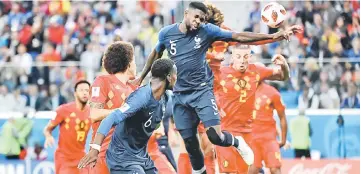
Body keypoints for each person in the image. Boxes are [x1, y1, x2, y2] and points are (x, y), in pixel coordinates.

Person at [134, 2, 302, 173]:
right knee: (189, 144)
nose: (199, 22)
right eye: (197, 18)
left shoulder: (212, 31)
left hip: (208, 91)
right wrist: (142, 77)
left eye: (203, 20)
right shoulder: (172, 35)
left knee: (210, 143)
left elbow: (241, 37)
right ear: (187, 14)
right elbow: (157, 53)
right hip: (182, 93)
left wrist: (275, 37)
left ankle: (228, 151)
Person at [78, 58, 177, 174]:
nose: (177, 78)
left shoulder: (165, 98)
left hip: (141, 157)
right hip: (121, 157)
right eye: (176, 75)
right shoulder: (141, 97)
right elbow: (111, 117)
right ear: (169, 77)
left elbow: (152, 122)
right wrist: (95, 149)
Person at [208, 45, 290, 173]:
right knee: (228, 172)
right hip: (225, 131)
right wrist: (215, 107)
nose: (242, 60)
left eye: (245, 56)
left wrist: (284, 65)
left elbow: (282, 76)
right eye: (238, 56)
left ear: (250, 57)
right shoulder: (220, 73)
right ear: (232, 58)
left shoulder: (256, 71)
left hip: (247, 133)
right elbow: (204, 91)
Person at [87, 41, 137, 174]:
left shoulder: (134, 89)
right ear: (129, 63)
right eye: (134, 60)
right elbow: (94, 114)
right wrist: (122, 111)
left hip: (127, 157)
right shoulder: (103, 81)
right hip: (103, 155)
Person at [43, 80, 91, 174]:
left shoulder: (92, 112)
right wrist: (48, 136)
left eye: (87, 90)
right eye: (81, 90)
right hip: (64, 158)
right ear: (75, 93)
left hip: (81, 156)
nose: (85, 93)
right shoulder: (63, 110)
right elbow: (47, 129)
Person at [249, 80, 288, 174]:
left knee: (275, 168)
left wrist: (283, 139)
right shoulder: (242, 90)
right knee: (252, 170)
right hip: (251, 138)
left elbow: (282, 117)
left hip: (269, 138)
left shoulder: (272, 92)